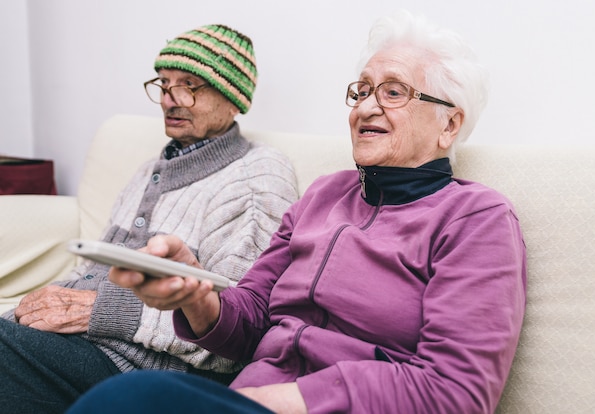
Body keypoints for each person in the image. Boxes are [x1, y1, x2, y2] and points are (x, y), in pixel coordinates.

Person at [68, 10, 526, 414]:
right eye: (362, 90)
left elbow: (457, 392)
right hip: (253, 397)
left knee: (129, 398)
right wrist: (196, 293)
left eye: (393, 92)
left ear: (449, 123)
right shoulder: (324, 196)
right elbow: (248, 323)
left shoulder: (476, 219)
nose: (365, 106)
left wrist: (283, 400)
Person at [0, 24, 298, 413]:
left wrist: (99, 311)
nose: (170, 99)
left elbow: (239, 336)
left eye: (190, 85)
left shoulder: (258, 177)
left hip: (137, 371)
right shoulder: (149, 170)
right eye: (163, 83)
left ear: (234, 99)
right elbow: (89, 276)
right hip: (83, 351)